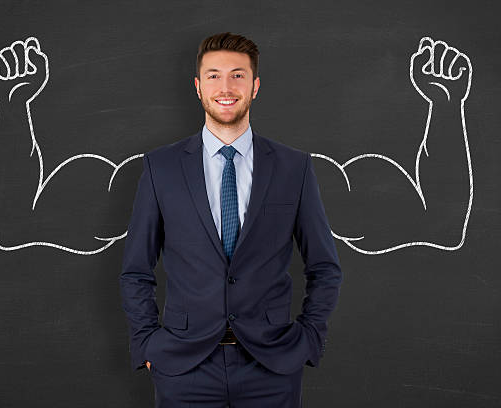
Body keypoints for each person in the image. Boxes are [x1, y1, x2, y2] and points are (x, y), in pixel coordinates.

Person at [119, 32, 342, 407]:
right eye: (213, 75)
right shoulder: (161, 168)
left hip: (271, 366)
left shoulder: (293, 168)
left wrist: (309, 338)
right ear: (197, 86)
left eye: (237, 75)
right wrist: (147, 342)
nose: (225, 86)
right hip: (183, 367)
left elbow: (324, 267)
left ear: (255, 86)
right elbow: (136, 270)